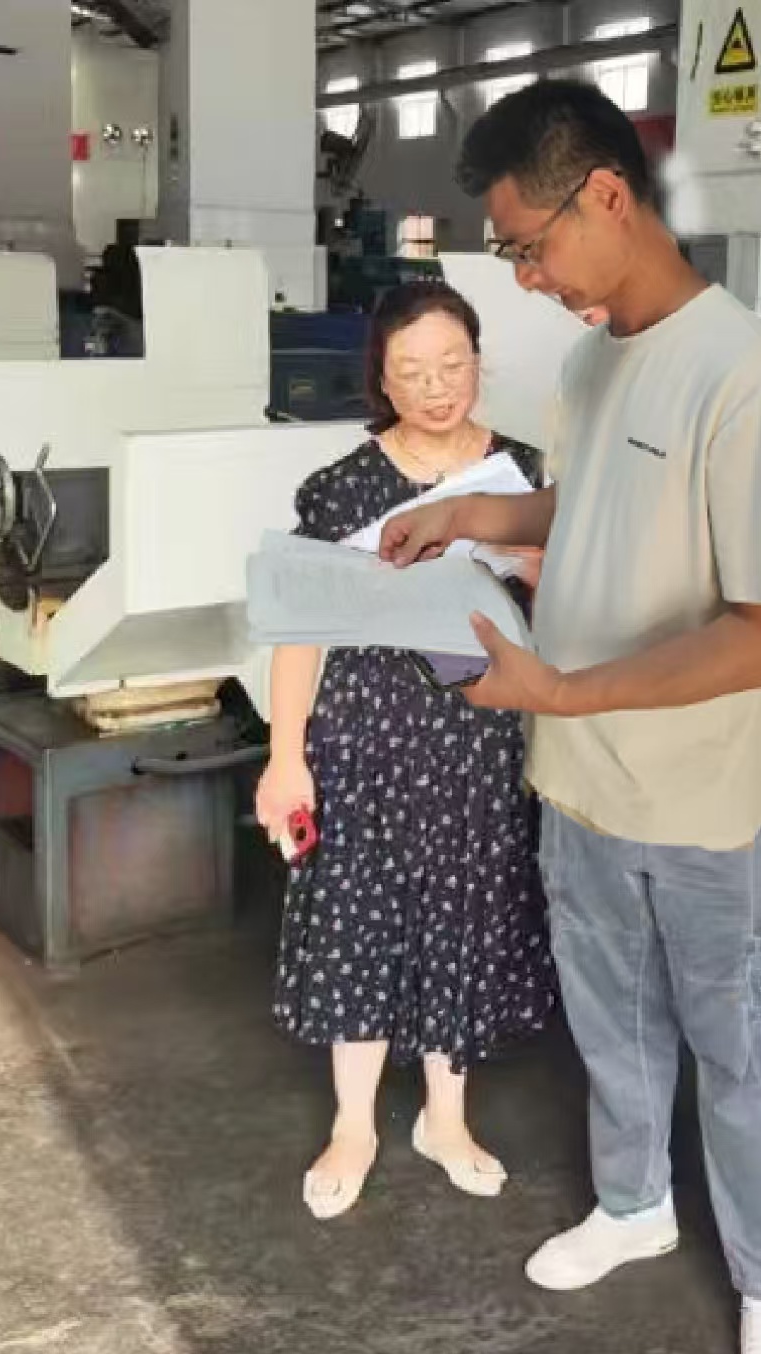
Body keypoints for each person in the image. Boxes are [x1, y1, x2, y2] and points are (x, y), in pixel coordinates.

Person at [379, 83, 761, 1354]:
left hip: (718, 804)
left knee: (746, 1061)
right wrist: (474, 514)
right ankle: (633, 1204)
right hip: (583, 787)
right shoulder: (589, 365)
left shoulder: (746, 371)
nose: (524, 277)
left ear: (609, 196)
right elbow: (592, 504)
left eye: (528, 246)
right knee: (612, 1026)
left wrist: (561, 687)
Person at [254, 280, 558, 1221]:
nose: (436, 387)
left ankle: (445, 1118)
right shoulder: (341, 486)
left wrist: (541, 565)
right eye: (412, 371)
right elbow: (299, 630)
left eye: (453, 365)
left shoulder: (521, 476)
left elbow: (561, 608)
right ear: (380, 380)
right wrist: (286, 757)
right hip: (364, 735)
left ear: (478, 362)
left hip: (477, 732)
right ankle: (353, 1125)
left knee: (462, 912)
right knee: (360, 914)